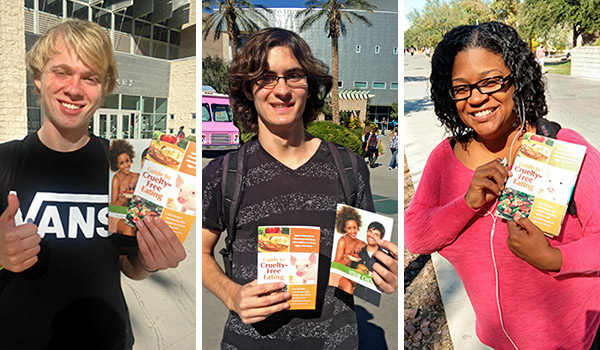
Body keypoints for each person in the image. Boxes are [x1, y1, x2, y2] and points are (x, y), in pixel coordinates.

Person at [405, 21, 600, 349]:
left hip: (573, 340)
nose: (477, 98)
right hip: (497, 341)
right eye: (462, 88)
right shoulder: (445, 158)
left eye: (491, 81)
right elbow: (417, 237)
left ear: (517, 82)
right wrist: (466, 202)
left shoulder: (566, 150)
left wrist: (553, 259)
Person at [202, 27, 398, 349]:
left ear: (309, 87)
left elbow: (365, 259)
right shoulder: (225, 174)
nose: (282, 90)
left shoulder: (349, 168)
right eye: (266, 77)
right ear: (249, 90)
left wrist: (381, 272)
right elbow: (202, 252)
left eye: (293, 76)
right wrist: (231, 294)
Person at [0, 19, 186, 349]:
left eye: (90, 78)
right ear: (38, 77)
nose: (74, 88)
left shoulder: (123, 167)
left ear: (105, 88)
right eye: (62, 72)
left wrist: (149, 259)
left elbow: (130, 265)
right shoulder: (5, 161)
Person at [332, 205, 366, 294]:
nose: (353, 231)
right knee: (347, 286)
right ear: (344, 229)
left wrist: (365, 248)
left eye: (354, 227)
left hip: (353, 274)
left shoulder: (362, 243)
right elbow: (336, 262)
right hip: (341, 274)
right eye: (349, 228)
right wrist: (345, 260)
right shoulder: (343, 241)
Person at [109, 140, 140, 236]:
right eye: (121, 163)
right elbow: (113, 207)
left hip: (136, 215)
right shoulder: (116, 179)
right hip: (121, 216)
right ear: (116, 165)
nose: (126, 165)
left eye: (127, 161)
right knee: (129, 229)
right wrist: (121, 200)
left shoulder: (137, 176)